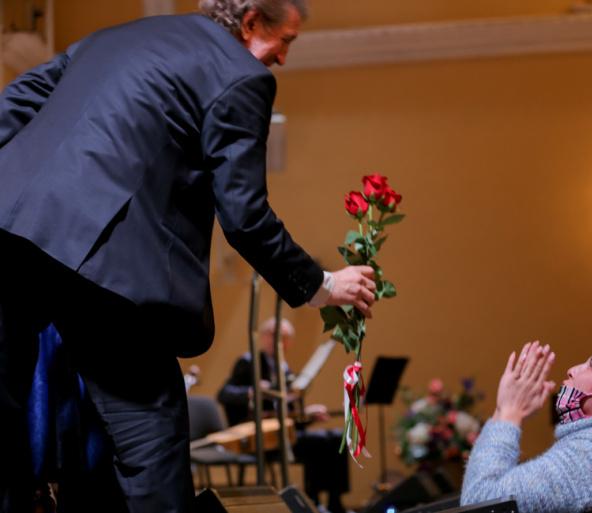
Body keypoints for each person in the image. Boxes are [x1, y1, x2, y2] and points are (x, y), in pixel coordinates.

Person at [0, 1, 377, 512]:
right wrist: (323, 285)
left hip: (11, 232)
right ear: (250, 22)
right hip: (105, 266)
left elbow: (13, 105)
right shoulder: (242, 74)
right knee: (151, 434)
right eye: (285, 40)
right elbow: (245, 216)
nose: (283, 58)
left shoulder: (115, 36)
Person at [461, 341, 592, 513]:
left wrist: (510, 412)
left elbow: (480, 505)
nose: (572, 370)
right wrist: (504, 409)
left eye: (590, 365)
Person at [217, 318, 350, 513]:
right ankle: (313, 501)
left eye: (285, 337)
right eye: (274, 335)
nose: (279, 341)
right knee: (319, 443)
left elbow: (287, 416)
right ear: (263, 337)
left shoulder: (284, 369)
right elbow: (223, 394)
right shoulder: (249, 362)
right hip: (257, 438)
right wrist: (252, 391)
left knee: (337, 437)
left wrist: (308, 415)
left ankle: (334, 501)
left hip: (281, 435)